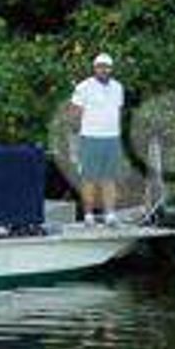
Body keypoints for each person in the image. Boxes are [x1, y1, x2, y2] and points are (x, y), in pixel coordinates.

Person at [67, 52, 126, 226]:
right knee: (89, 178)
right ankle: (88, 215)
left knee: (110, 178)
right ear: (94, 68)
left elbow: (119, 111)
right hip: (90, 137)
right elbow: (73, 114)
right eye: (100, 66)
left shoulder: (118, 87)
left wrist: (116, 132)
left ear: (111, 68)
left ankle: (110, 214)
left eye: (107, 66)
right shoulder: (83, 87)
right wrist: (75, 140)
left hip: (112, 137)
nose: (104, 70)